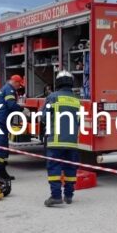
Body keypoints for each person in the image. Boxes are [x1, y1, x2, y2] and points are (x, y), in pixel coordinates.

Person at [40, 71, 80, 207]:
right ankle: (68, 196)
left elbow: (44, 117)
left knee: (54, 168)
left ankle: (56, 196)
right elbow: (79, 121)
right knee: (70, 169)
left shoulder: (52, 97)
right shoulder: (76, 100)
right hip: (72, 142)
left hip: (55, 141)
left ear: (58, 82)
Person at [0, 74, 24, 180]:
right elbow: (11, 105)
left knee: (3, 147)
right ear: (15, 82)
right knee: (1, 147)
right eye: (19, 85)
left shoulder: (4, 88)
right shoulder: (10, 90)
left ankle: (2, 172)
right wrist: (22, 109)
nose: (19, 87)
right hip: (0, 122)